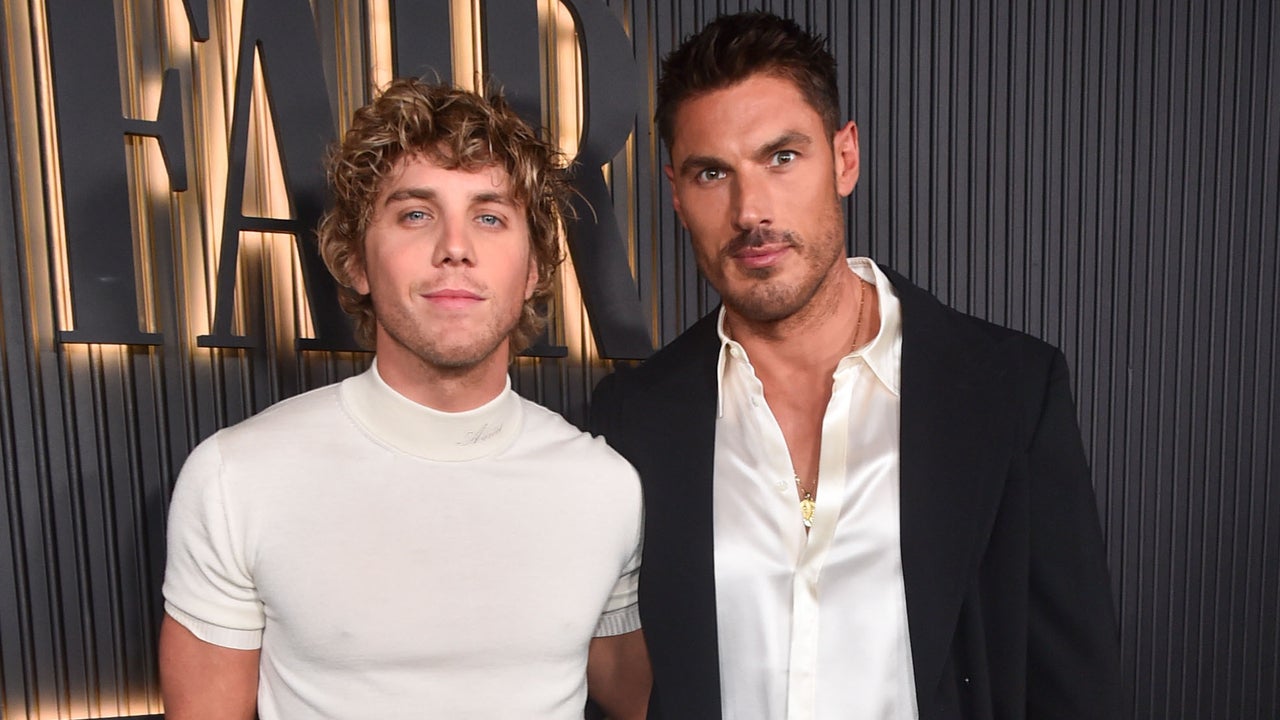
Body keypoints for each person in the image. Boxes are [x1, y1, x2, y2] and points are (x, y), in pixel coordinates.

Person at [589, 11, 1121, 719]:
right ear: (678, 196)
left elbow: (1074, 682)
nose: (750, 211)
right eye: (712, 173)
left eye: (782, 157)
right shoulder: (633, 418)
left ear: (845, 158)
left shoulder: (1011, 389)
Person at [159, 78, 649, 719]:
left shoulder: (605, 487)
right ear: (356, 261)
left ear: (533, 268)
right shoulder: (237, 478)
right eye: (416, 214)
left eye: (490, 217)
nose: (455, 248)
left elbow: (648, 699)